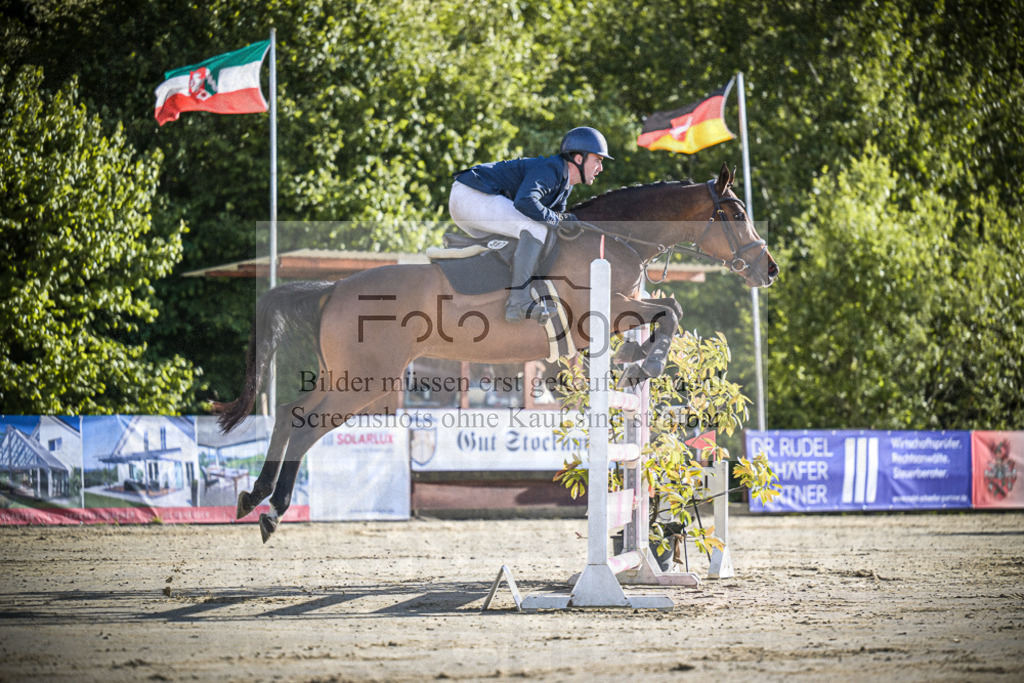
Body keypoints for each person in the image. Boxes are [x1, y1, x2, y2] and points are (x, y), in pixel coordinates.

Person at [449, 127, 613, 323]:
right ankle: (518, 301)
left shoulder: (564, 186)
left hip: (470, 200)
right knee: (535, 228)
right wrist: (558, 220)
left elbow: (556, 220)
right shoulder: (551, 169)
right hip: (471, 195)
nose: (600, 168)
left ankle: (505, 295)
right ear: (579, 159)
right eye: (597, 160)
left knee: (536, 232)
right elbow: (525, 201)